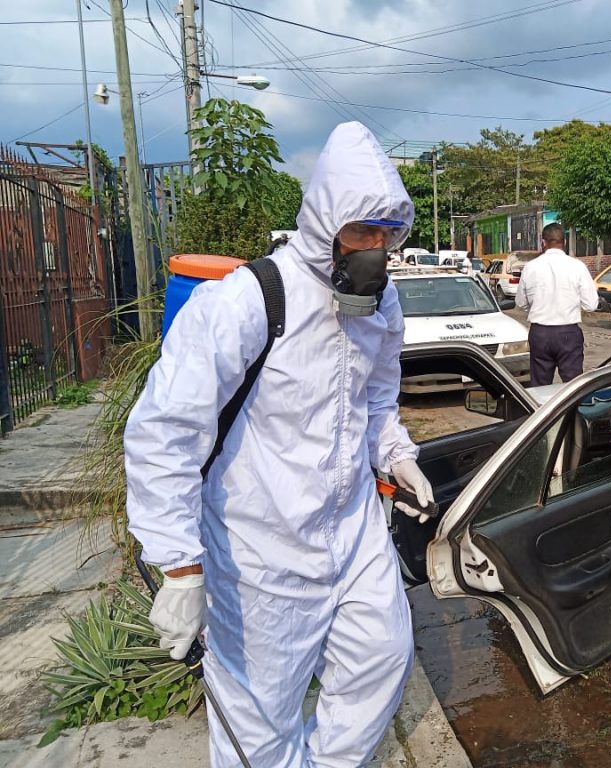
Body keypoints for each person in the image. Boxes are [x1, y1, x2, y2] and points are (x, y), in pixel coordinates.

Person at [125, 122, 434, 767]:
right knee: (258, 723)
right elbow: (166, 430)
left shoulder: (382, 303)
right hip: (257, 552)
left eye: (387, 234)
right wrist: (179, 565)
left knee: (381, 662)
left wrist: (396, 453)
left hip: (351, 535)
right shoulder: (247, 301)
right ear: (326, 224)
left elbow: (375, 401)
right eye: (362, 232)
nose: (375, 249)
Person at [515, 222, 599, 386]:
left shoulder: (531, 267)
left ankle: (542, 411)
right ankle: (571, 412)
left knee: (539, 385)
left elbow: (520, 302)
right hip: (568, 333)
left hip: (540, 333)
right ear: (564, 242)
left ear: (543, 242)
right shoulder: (577, 266)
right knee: (573, 386)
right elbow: (591, 305)